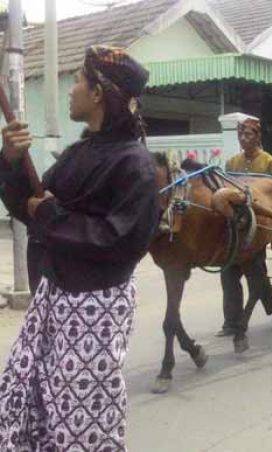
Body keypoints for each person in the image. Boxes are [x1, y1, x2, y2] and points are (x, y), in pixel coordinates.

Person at [0, 46, 159, 450]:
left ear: (99, 93)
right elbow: (29, 208)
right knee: (25, 398)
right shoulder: (79, 154)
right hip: (52, 299)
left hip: (95, 310)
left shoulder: (134, 164)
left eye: (78, 81)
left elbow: (119, 241)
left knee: (80, 421)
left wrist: (51, 217)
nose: (71, 90)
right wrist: (12, 160)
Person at [217, 118, 272, 341]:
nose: (243, 139)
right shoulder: (232, 163)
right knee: (228, 274)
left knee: (256, 275)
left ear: (258, 137)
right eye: (241, 135)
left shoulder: (271, 164)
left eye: (248, 135)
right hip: (234, 227)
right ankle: (231, 322)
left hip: (259, 227)